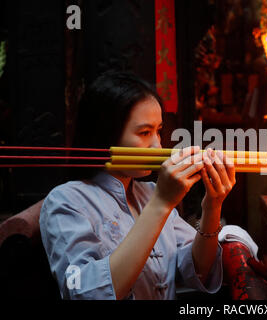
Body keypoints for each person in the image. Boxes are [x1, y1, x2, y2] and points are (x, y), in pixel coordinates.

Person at [39, 71, 236, 300]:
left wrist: (212, 206)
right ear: (107, 134)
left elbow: (197, 269)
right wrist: (161, 204)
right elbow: (86, 293)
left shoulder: (149, 192)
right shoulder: (66, 201)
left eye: (159, 131)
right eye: (144, 132)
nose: (157, 146)